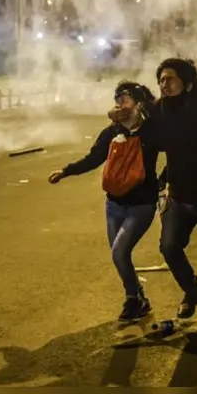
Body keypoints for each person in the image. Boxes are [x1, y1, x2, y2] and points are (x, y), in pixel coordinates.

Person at [111, 58, 197, 322]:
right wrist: (119, 120)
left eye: (170, 78)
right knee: (169, 248)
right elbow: (136, 129)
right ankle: (191, 291)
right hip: (178, 195)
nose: (164, 84)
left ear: (187, 83)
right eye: (161, 79)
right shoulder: (156, 110)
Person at [48, 81, 160, 323]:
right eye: (117, 100)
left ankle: (132, 298)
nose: (120, 104)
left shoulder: (151, 130)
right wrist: (66, 171)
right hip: (114, 205)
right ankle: (139, 297)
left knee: (119, 252)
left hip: (141, 204)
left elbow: (163, 117)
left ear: (139, 103)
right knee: (120, 255)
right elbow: (93, 158)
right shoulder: (111, 132)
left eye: (126, 99)